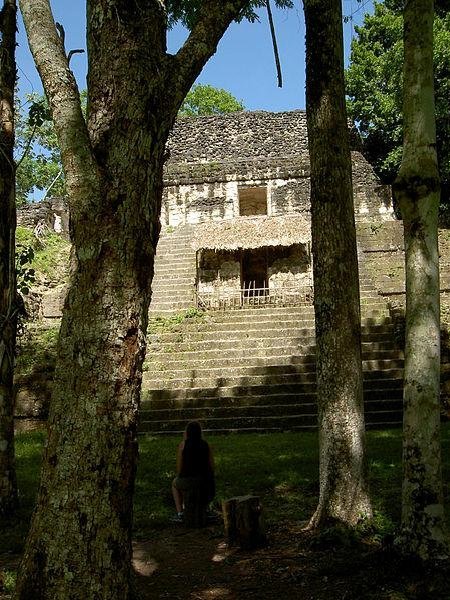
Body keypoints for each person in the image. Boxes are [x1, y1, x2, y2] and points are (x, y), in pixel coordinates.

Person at [172, 421, 215, 522]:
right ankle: (205, 508)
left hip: (188, 480)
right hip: (205, 481)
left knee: (174, 484)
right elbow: (212, 466)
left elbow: (179, 468)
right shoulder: (206, 445)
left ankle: (180, 513)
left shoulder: (183, 445)